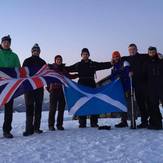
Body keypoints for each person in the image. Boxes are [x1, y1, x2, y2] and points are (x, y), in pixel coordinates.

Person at [66, 48, 112, 128]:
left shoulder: (92, 64)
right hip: (81, 86)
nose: (85, 55)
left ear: (89, 55)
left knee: (93, 103)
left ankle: (94, 122)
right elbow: (69, 68)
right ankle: (82, 123)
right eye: (83, 54)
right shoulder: (78, 65)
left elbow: (102, 65)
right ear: (81, 55)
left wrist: (111, 64)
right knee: (82, 104)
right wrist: (59, 68)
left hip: (91, 85)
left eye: (86, 54)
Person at [122, 44, 149, 128]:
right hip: (136, 84)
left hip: (145, 83)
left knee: (149, 103)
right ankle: (144, 122)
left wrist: (159, 55)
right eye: (130, 50)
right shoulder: (127, 58)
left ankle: (153, 121)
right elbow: (119, 59)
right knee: (140, 104)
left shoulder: (143, 57)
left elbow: (152, 55)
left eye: (133, 49)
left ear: (137, 49)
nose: (132, 51)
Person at [47, 55, 77, 131]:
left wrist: (77, 75)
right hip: (53, 90)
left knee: (61, 108)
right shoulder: (51, 68)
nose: (59, 61)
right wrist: (48, 87)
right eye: (57, 59)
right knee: (52, 108)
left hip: (61, 90)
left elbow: (68, 76)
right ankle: (51, 125)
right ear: (55, 60)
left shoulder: (63, 69)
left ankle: (59, 125)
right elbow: (47, 78)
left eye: (60, 59)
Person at [22, 43, 46, 136]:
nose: (36, 52)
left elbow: (45, 74)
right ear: (32, 51)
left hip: (39, 88)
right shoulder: (27, 61)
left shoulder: (42, 62)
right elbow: (22, 73)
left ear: (39, 52)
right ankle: (29, 129)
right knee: (29, 107)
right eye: (34, 50)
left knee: (38, 107)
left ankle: (37, 128)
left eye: (37, 50)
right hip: (29, 88)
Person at [0, 35, 21, 138]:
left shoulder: (14, 56)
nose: (6, 43)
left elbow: (18, 70)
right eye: (4, 42)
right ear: (1, 43)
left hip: (10, 86)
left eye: (8, 42)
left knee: (8, 110)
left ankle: (7, 130)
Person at [109, 51, 132, 127]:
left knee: (128, 103)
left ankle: (132, 120)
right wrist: (118, 73)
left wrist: (118, 73)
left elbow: (127, 72)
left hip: (126, 87)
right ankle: (124, 121)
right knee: (121, 104)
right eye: (114, 57)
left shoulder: (125, 62)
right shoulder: (113, 66)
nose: (116, 58)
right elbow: (112, 77)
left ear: (119, 56)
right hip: (119, 88)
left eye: (117, 56)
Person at [143, 47, 163, 129]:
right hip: (151, 88)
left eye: (153, 52)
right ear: (148, 53)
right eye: (150, 52)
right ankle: (157, 124)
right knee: (154, 106)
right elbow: (144, 75)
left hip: (161, 86)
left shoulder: (160, 60)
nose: (152, 53)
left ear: (156, 52)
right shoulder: (146, 62)